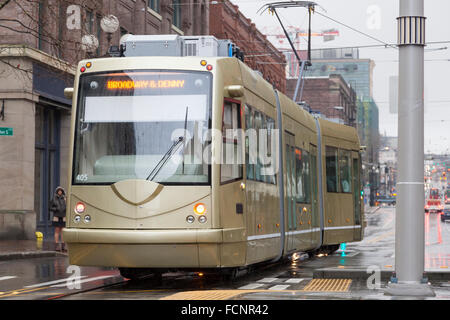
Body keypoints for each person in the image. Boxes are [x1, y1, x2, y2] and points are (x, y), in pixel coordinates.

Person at [50, 186, 67, 252]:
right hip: (56, 216)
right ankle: (56, 245)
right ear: (57, 192)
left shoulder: (65, 199)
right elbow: (50, 207)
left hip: (63, 216)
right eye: (58, 191)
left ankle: (63, 246)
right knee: (57, 231)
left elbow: (68, 206)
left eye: (61, 191)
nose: (60, 192)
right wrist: (56, 209)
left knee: (63, 232)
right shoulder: (54, 199)